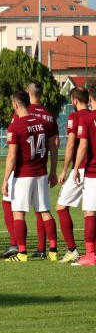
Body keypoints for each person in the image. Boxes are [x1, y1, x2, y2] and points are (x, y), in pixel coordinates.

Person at [0, 82, 60, 259]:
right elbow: (54, 147)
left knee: (18, 212)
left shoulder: (16, 125)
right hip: (41, 173)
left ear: (17, 105)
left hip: (24, 174)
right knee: (45, 211)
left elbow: (11, 157)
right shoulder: (42, 122)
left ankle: (22, 252)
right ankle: (54, 251)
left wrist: (5, 180)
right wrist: (53, 171)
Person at [54, 87, 88, 263]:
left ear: (74, 100)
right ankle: (91, 251)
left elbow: (71, 145)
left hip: (80, 169)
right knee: (90, 211)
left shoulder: (74, 117)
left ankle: (72, 249)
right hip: (92, 169)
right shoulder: (93, 116)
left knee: (61, 207)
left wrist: (65, 169)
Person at [71, 87, 96, 266]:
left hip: (93, 172)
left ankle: (90, 254)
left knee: (90, 212)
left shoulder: (87, 118)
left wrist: (75, 169)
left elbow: (83, 146)